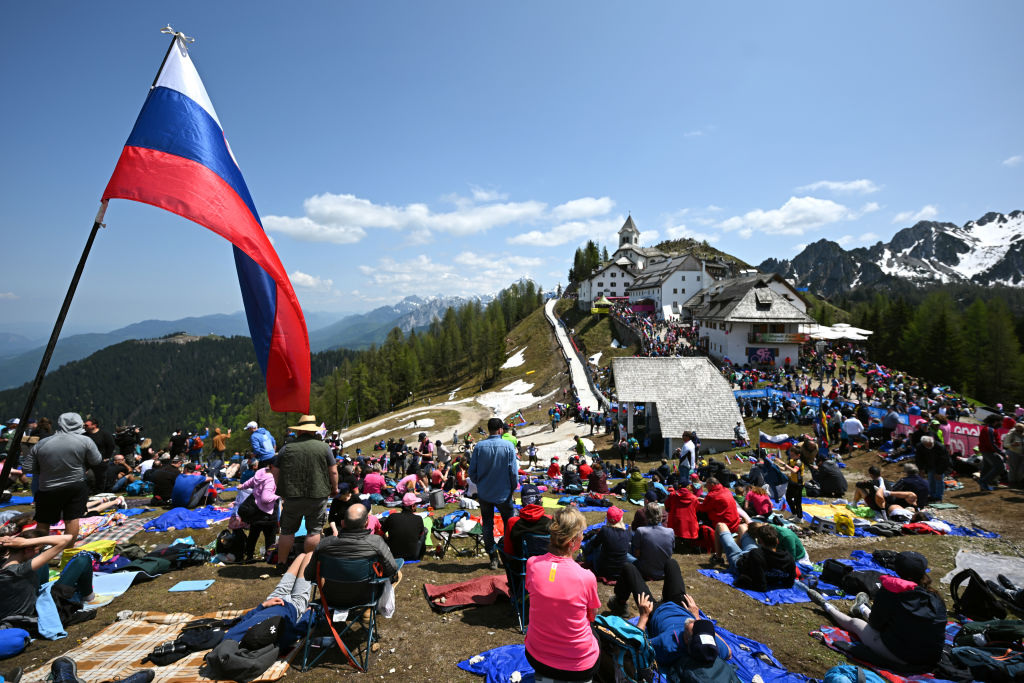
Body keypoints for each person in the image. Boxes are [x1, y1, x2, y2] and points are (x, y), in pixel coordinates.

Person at [801, 551, 947, 671]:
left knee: (855, 623)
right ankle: (862, 607)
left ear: (898, 569)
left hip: (903, 657)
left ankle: (826, 606)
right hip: (931, 656)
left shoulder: (892, 590)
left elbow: (876, 624)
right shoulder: (934, 597)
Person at [609, 560, 740, 682]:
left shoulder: (668, 645)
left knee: (629, 568)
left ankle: (619, 602)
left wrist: (643, 616)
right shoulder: (710, 646)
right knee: (671, 563)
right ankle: (665, 595)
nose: (696, 622)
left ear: (687, 640)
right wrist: (697, 616)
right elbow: (728, 653)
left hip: (654, 612)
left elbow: (636, 647)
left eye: (695, 626)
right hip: (680, 606)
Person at [524, 507, 600, 682]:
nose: (583, 537)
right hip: (579, 665)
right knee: (595, 634)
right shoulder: (586, 577)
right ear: (572, 541)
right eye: (582, 534)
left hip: (537, 656)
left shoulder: (532, 565)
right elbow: (592, 616)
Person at [272, 415, 339, 570]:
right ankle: (308, 566)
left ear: (300, 431)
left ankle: (281, 563)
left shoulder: (287, 448)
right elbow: (333, 472)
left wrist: (280, 488)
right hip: (318, 494)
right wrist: (334, 488)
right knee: (314, 530)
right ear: (313, 431)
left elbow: (275, 469)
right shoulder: (324, 447)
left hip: (292, 495)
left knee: (287, 530)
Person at [21, 412, 102, 541]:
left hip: (47, 487)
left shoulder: (42, 443)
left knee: (43, 521)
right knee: (71, 519)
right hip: (75, 485)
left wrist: (44, 470)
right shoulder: (85, 440)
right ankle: (67, 553)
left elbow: (27, 468)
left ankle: (37, 552)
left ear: (60, 424)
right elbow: (96, 460)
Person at [0, 531, 91, 623]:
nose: (37, 553)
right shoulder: (20, 570)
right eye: (36, 549)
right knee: (83, 559)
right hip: (39, 614)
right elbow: (67, 538)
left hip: (13, 615)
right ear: (28, 549)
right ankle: (88, 595)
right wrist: (26, 542)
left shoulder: (4, 565)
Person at [307, 503, 402, 587]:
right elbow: (391, 570)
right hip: (367, 596)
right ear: (366, 522)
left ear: (342, 522)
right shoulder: (376, 542)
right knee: (399, 574)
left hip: (331, 598)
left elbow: (309, 575)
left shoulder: (324, 544)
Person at [469, 418, 518, 570]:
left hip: (485, 493)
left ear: (489, 429)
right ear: (500, 430)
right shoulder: (508, 446)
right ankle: (510, 554)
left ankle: (493, 557)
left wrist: (480, 483)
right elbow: (513, 472)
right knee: (509, 523)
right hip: (504, 493)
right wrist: (512, 487)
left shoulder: (479, 447)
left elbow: (472, 472)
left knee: (487, 524)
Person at [715, 521, 795, 592]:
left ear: (759, 541)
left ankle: (718, 558)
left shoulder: (756, 554)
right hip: (755, 554)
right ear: (777, 541)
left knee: (720, 525)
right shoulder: (788, 558)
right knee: (742, 527)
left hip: (738, 560)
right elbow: (789, 583)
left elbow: (761, 586)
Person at [237, 461, 280, 563]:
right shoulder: (271, 478)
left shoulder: (261, 472)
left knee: (253, 535)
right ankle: (268, 556)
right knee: (270, 536)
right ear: (274, 467)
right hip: (267, 512)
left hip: (255, 510)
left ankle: (249, 555)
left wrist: (242, 486)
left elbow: (251, 481)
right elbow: (265, 499)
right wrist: (279, 495)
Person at [502, 485, 552, 571]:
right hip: (546, 567)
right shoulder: (550, 520)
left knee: (501, 543)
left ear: (522, 501)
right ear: (540, 500)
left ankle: (513, 581)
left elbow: (508, 551)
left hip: (521, 567)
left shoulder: (513, 522)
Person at [582, 506, 631, 581]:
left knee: (594, 541)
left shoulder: (605, 530)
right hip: (620, 571)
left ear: (607, 518)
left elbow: (595, 544)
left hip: (603, 571)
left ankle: (584, 552)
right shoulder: (627, 532)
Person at [631, 501, 674, 580]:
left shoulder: (641, 531)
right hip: (663, 570)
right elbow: (671, 551)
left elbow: (636, 554)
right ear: (661, 515)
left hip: (645, 570)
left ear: (646, 516)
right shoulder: (670, 531)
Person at [382, 493, 426, 561]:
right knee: (425, 531)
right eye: (416, 504)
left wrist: (387, 540)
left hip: (393, 554)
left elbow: (381, 532)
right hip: (412, 556)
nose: (416, 506)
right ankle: (421, 556)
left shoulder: (392, 517)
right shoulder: (418, 519)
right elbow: (419, 536)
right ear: (412, 506)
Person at [664, 483, 699, 552]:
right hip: (690, 524)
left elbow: (667, 506)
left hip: (675, 523)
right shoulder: (694, 498)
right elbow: (697, 509)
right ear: (688, 486)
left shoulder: (672, 495)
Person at [1002, 422, 1024, 489]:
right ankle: (1012, 483)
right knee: (1013, 469)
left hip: (1022, 454)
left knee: (1021, 470)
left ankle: (1018, 482)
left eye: (1021, 430)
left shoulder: (1022, 434)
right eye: (1017, 430)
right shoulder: (1011, 434)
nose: (1019, 432)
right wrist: (1012, 444)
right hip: (1012, 452)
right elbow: (1005, 445)